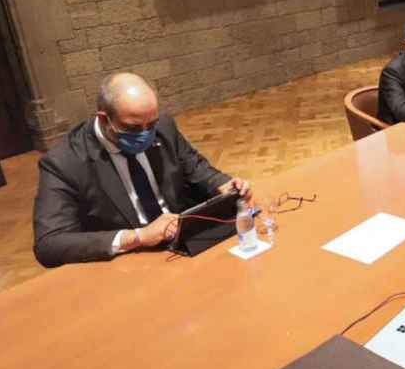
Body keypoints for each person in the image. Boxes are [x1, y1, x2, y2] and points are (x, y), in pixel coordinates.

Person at [32, 73, 252, 268]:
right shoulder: (64, 162)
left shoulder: (162, 126)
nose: (146, 134)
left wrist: (224, 185)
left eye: (151, 125)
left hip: (183, 245)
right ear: (103, 118)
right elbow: (50, 244)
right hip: (129, 260)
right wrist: (137, 237)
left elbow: (196, 168)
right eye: (133, 128)